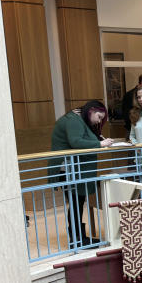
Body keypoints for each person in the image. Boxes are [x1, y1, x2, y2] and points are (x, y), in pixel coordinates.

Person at [50, 100, 115, 248]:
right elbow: (76, 141)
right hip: (68, 170)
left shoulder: (79, 119)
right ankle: (77, 240)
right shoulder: (73, 121)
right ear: (91, 111)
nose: (99, 121)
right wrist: (99, 144)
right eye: (99, 117)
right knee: (75, 204)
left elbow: (82, 137)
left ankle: (80, 238)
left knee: (77, 203)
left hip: (73, 170)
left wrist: (98, 139)